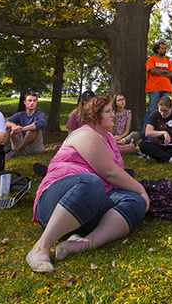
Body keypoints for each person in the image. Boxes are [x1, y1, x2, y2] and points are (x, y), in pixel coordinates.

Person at [26, 97, 149, 273]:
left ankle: (83, 244)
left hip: (89, 205)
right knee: (92, 182)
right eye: (108, 112)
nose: (113, 115)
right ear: (94, 115)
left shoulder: (109, 139)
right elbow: (110, 172)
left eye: (112, 111)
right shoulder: (84, 134)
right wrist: (141, 189)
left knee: (134, 201)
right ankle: (41, 247)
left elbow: (115, 176)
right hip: (55, 203)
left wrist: (138, 195)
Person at [140, 96, 172, 164]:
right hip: (158, 145)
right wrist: (163, 133)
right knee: (142, 145)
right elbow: (148, 133)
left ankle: (157, 157)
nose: (163, 113)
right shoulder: (154, 115)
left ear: (171, 107)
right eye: (161, 110)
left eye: (166, 111)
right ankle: (170, 159)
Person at [5, 93, 48, 160]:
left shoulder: (40, 114)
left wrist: (22, 129)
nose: (32, 103)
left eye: (34, 101)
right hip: (21, 142)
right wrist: (14, 127)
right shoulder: (20, 115)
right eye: (29, 100)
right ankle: (0, 149)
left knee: (35, 128)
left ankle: (16, 151)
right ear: (24, 102)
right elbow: (6, 122)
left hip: (34, 147)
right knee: (9, 126)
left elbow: (41, 123)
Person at [144, 43, 172, 133]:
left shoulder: (168, 62)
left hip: (166, 88)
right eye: (162, 48)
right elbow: (153, 71)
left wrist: (160, 72)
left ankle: (160, 130)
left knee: (163, 111)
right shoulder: (152, 59)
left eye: (165, 48)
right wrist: (165, 71)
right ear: (157, 50)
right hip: (154, 88)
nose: (164, 50)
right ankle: (145, 131)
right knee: (152, 109)